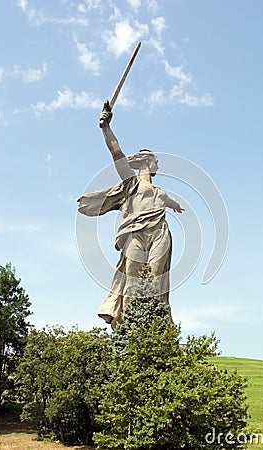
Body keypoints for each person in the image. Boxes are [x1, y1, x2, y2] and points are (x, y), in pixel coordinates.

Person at [77, 105, 184, 329]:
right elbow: (117, 153)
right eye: (155, 161)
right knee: (132, 279)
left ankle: (159, 330)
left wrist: (174, 205)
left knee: (157, 279)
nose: (158, 165)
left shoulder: (160, 192)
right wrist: (106, 128)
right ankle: (125, 328)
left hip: (160, 233)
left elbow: (168, 202)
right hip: (136, 234)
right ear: (147, 162)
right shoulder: (132, 183)